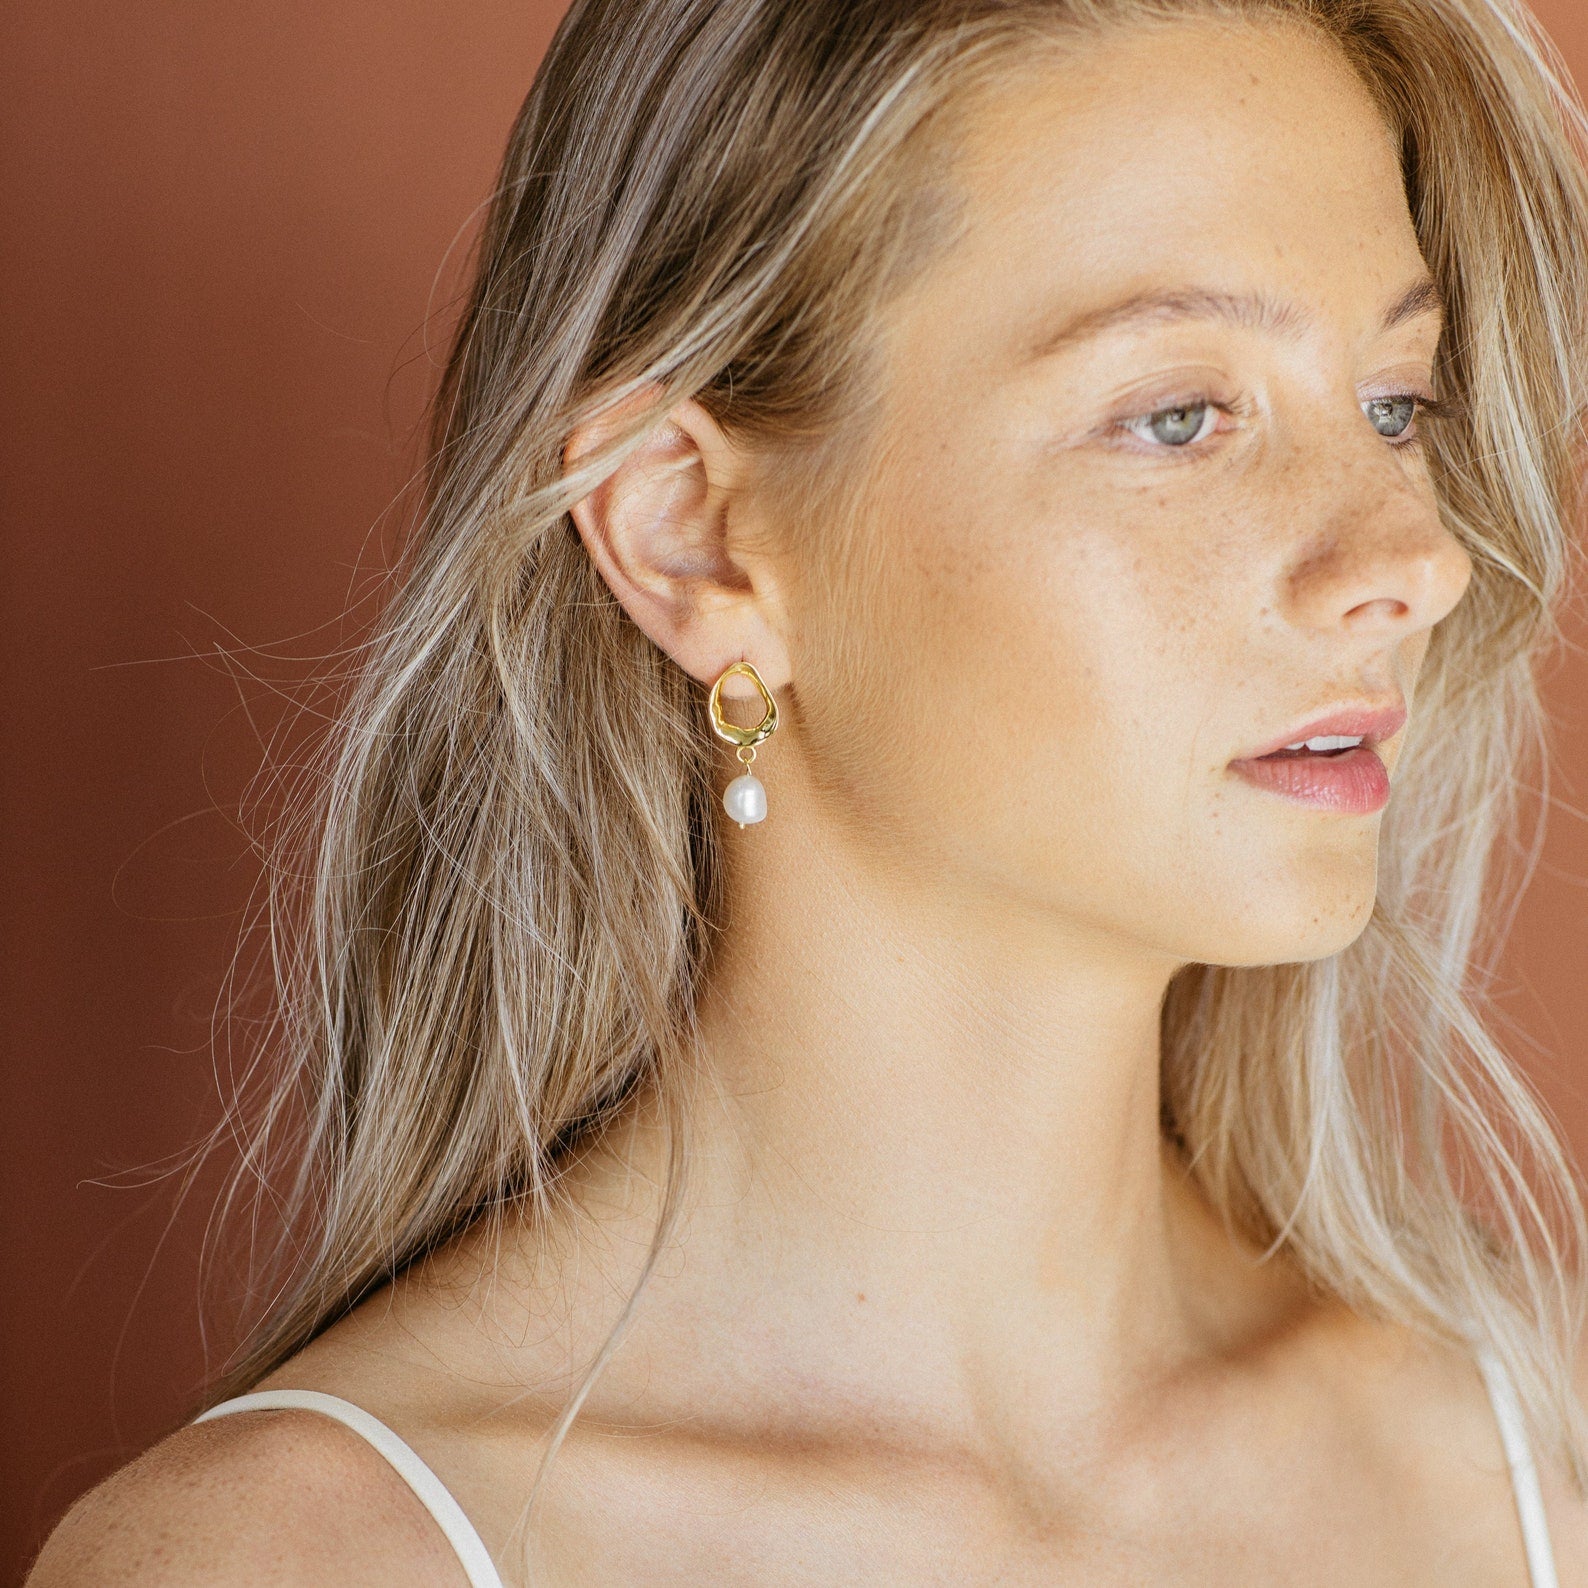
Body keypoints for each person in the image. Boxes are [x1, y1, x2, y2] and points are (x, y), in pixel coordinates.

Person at [28, 0, 1588, 1581]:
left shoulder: (1543, 1441)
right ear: (689, 536)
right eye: (1177, 416)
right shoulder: (295, 1561)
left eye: (1395, 404)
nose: (1416, 558)